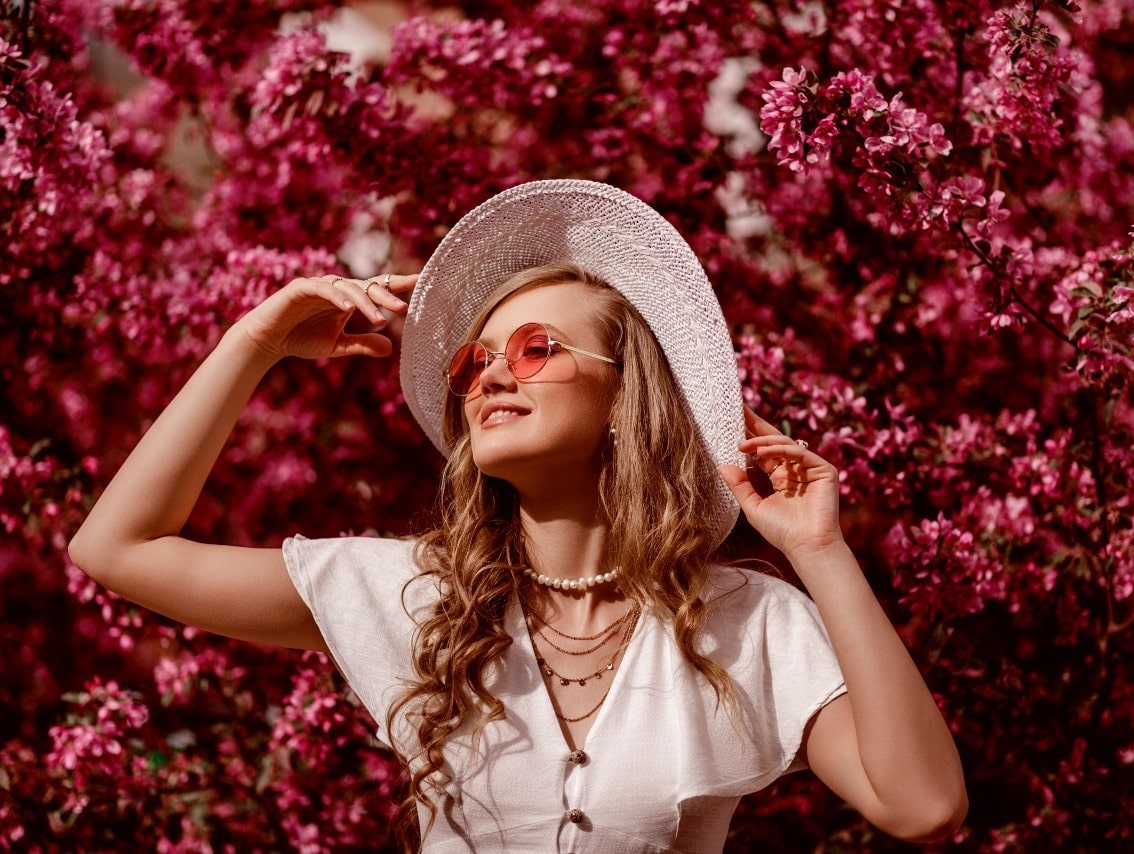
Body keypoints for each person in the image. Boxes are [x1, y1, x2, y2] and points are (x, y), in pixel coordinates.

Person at [69, 180, 966, 851]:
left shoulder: (747, 622)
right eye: (475, 362)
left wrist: (821, 551)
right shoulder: (418, 598)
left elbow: (923, 806)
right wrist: (254, 343)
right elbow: (119, 548)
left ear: (627, 398)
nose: (493, 375)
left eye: (538, 350)